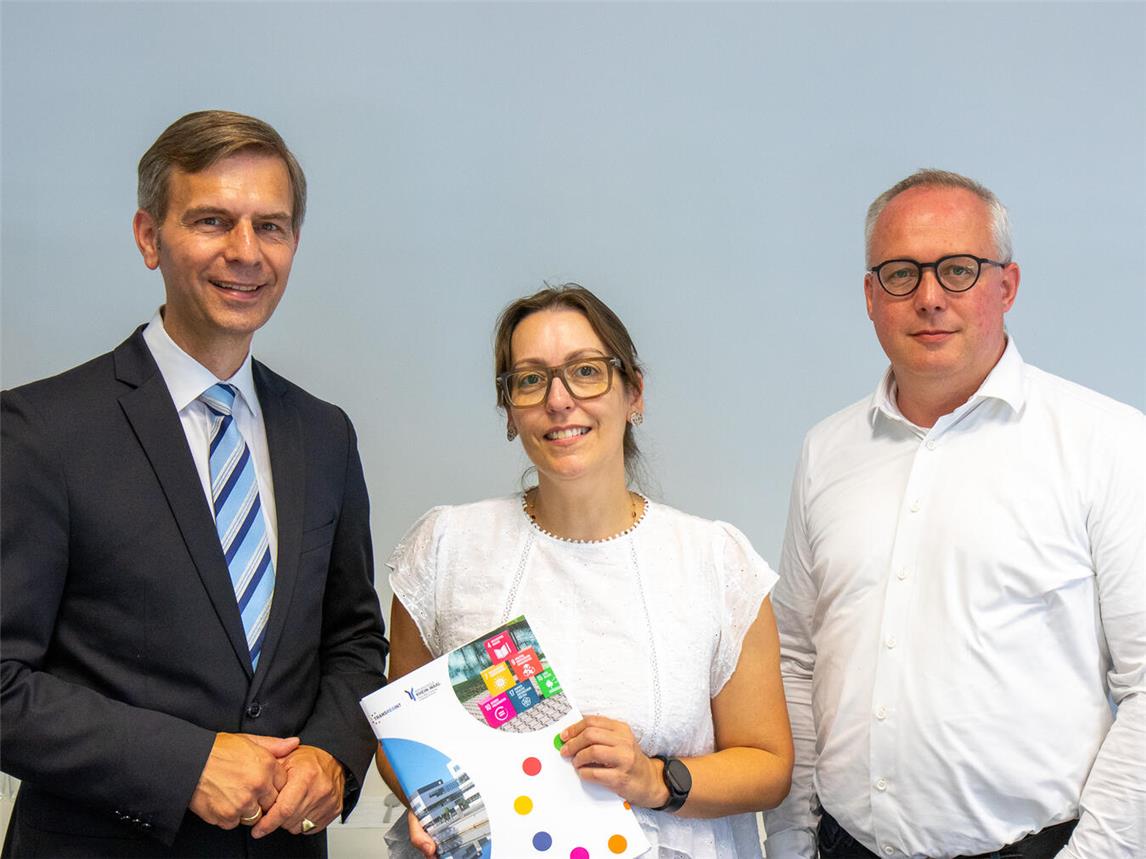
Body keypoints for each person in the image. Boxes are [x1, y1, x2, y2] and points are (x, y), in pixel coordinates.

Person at [0, 110, 388, 857]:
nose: (245, 252)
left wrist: (330, 755)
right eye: (213, 221)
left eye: (270, 227)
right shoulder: (40, 430)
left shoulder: (325, 434)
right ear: (149, 237)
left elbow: (351, 640)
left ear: (294, 245)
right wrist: (185, 765)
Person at [762, 170, 1145, 858]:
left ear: (1008, 285)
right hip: (844, 846)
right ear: (872, 296)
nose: (930, 298)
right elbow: (794, 655)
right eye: (902, 274)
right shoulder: (827, 451)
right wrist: (792, 836)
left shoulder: (1109, 443)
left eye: (959, 270)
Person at [377, 283, 793, 858]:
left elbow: (768, 767)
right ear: (509, 411)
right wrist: (442, 807)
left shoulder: (715, 561)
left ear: (634, 393)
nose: (559, 400)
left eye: (587, 371)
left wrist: (653, 779)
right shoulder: (447, 548)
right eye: (530, 379)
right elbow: (403, 735)